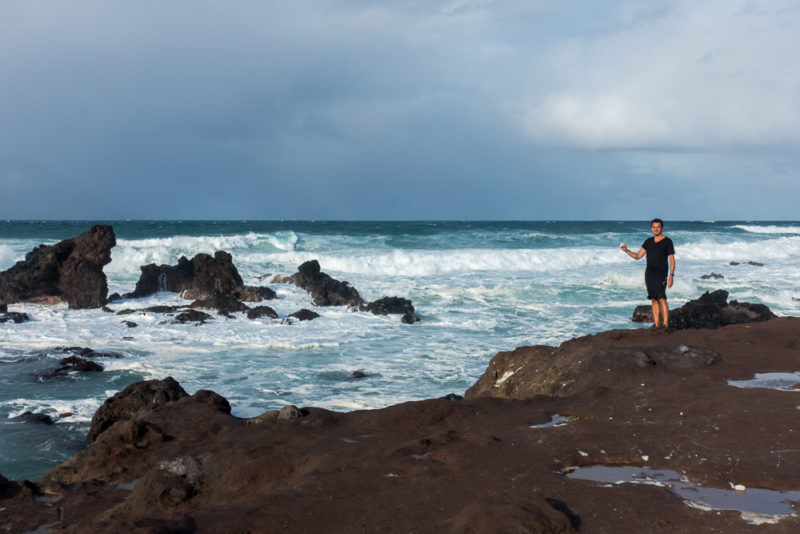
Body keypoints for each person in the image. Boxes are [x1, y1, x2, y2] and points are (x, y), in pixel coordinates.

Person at [620, 218, 675, 332]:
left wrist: (671, 275)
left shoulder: (667, 241)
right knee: (653, 299)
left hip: (661, 274)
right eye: (654, 227)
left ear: (662, 228)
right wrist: (626, 250)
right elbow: (638, 256)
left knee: (661, 298)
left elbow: (672, 259)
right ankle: (656, 325)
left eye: (658, 227)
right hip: (649, 274)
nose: (656, 229)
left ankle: (665, 325)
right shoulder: (648, 242)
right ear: (651, 228)